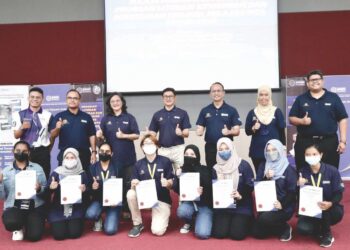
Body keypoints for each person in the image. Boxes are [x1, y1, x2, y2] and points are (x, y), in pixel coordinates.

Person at [289, 70, 348, 170]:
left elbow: (342, 118)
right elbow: (291, 118)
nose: (315, 81)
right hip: (305, 142)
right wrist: (301, 121)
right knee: (304, 173)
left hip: (328, 142)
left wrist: (343, 141)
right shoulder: (301, 99)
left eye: (317, 79)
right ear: (307, 83)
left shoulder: (333, 97)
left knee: (330, 172)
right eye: (312, 80)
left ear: (322, 81)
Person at [97, 92, 139, 218]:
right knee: (114, 184)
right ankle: (114, 209)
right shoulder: (105, 119)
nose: (115, 103)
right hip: (111, 160)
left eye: (117, 100)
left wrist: (124, 136)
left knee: (128, 184)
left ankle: (127, 209)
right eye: (112, 101)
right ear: (109, 104)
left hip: (128, 159)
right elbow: (102, 141)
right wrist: (100, 136)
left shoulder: (129, 117)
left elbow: (136, 135)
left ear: (122, 102)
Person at [297, 144, 344, 248]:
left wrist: (331, 203)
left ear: (321, 155)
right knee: (302, 229)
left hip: (330, 208)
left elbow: (339, 193)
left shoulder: (332, 171)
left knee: (323, 204)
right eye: (308, 155)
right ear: (304, 156)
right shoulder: (302, 172)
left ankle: (327, 234)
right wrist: (299, 185)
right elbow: (299, 196)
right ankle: (319, 228)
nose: (311, 157)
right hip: (310, 209)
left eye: (314, 154)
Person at [127, 134, 174, 237]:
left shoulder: (165, 161)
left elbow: (171, 183)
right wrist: (133, 184)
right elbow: (133, 185)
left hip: (161, 200)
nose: (148, 146)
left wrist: (168, 183)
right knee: (130, 193)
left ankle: (158, 214)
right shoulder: (138, 164)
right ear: (142, 147)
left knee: (158, 231)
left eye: (151, 143)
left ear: (156, 146)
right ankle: (137, 224)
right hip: (145, 199)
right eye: (145, 144)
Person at [0, 140, 47, 241]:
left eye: (24, 151)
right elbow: (2, 196)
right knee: (11, 222)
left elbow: (45, 189)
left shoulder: (37, 168)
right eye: (18, 150)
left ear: (29, 153)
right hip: (14, 206)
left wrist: (39, 189)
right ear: (13, 151)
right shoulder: (5, 172)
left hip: (35, 206)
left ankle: (28, 223)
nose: (21, 153)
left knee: (34, 236)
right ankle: (18, 227)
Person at [252, 139, 297, 241]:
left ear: (280, 150)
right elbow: (257, 186)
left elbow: (292, 192)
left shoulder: (289, 169)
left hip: (283, 206)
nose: (271, 153)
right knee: (257, 233)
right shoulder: (263, 165)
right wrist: (266, 177)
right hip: (266, 205)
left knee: (264, 219)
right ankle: (273, 226)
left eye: (274, 149)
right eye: (268, 150)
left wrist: (282, 204)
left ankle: (285, 227)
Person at [211, 137, 254, 240]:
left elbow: (250, 185)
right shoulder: (215, 169)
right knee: (219, 234)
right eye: (220, 150)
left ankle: (247, 221)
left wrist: (240, 195)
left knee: (237, 235)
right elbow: (213, 189)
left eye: (226, 148)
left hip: (242, 205)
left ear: (232, 148)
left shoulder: (243, 165)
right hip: (224, 206)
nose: (224, 151)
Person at [196, 82, 241, 168]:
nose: (216, 93)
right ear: (210, 94)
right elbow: (199, 129)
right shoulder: (205, 110)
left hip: (226, 148)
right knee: (212, 171)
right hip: (210, 148)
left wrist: (229, 132)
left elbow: (237, 131)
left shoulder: (231, 110)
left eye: (218, 91)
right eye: (213, 91)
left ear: (223, 93)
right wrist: (199, 131)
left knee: (228, 169)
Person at [12, 87, 54, 179]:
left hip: (43, 151)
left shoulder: (48, 115)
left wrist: (48, 148)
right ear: (28, 98)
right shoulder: (19, 114)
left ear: (42, 99)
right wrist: (22, 128)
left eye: (38, 97)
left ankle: (43, 193)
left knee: (44, 177)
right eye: (32, 97)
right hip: (26, 151)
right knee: (24, 178)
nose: (35, 99)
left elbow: (53, 134)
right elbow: (16, 135)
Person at [174, 144, 214, 239]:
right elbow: (177, 190)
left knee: (202, 234)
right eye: (186, 154)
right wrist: (177, 177)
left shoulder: (205, 169)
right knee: (182, 211)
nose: (189, 156)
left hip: (204, 204)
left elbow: (211, 189)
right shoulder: (181, 170)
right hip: (190, 203)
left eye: (192, 154)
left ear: (197, 156)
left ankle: (202, 219)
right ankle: (190, 222)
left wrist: (203, 191)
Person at [47, 148, 88, 240]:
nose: (69, 160)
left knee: (74, 234)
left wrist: (85, 190)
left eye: (72, 157)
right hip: (59, 208)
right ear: (63, 159)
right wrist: (51, 187)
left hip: (76, 207)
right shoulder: (57, 172)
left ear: (77, 159)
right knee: (59, 236)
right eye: (67, 157)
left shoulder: (82, 173)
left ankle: (73, 222)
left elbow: (89, 192)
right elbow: (46, 190)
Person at [50, 89, 97, 170]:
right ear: (66, 100)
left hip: (84, 155)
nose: (72, 100)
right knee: (65, 180)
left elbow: (92, 135)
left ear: (79, 100)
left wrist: (93, 152)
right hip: (66, 154)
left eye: (75, 98)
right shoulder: (59, 116)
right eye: (69, 98)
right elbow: (53, 135)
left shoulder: (87, 116)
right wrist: (57, 128)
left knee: (85, 180)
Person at [148, 87, 191, 174]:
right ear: (163, 98)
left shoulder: (182, 113)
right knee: (162, 175)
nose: (168, 98)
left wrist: (181, 133)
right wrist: (148, 135)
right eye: (166, 96)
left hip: (178, 149)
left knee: (181, 174)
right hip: (163, 150)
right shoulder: (157, 114)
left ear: (175, 98)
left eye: (170, 96)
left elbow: (186, 133)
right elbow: (153, 133)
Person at [245, 85, 286, 171]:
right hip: (257, 152)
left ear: (270, 96)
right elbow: (247, 131)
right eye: (261, 95)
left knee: (276, 178)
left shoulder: (276, 111)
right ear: (258, 96)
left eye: (266, 95)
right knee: (260, 179)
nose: (264, 97)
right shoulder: (252, 112)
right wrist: (253, 128)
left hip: (274, 152)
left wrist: (283, 148)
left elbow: (281, 131)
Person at [85, 142, 121, 235]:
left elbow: (124, 186)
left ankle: (114, 216)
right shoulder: (92, 168)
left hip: (114, 202)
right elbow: (88, 188)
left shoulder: (118, 167)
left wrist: (117, 201)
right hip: (99, 200)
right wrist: (93, 188)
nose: (104, 153)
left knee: (110, 230)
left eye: (107, 151)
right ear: (98, 152)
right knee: (89, 214)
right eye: (102, 151)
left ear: (111, 154)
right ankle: (98, 218)